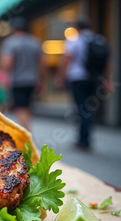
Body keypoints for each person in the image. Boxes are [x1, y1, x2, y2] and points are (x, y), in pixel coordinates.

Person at [56, 19, 114, 151]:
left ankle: (84, 139)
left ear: (77, 28)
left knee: (81, 108)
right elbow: (107, 62)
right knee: (88, 107)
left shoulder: (74, 41)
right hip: (94, 79)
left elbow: (66, 60)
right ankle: (85, 136)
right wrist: (107, 80)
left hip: (78, 78)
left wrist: (60, 78)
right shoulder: (99, 40)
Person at [0, 17, 45, 131]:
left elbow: (7, 64)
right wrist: (41, 81)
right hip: (32, 80)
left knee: (20, 108)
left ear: (13, 29)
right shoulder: (35, 42)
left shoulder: (10, 43)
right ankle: (27, 129)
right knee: (27, 107)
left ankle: (26, 133)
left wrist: (4, 79)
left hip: (17, 81)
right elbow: (43, 64)